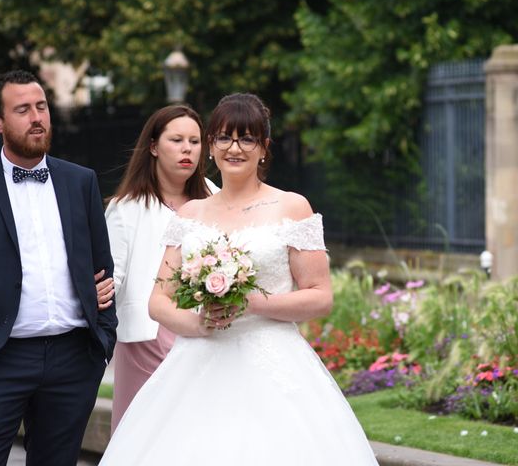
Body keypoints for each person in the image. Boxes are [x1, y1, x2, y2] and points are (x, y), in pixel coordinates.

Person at [100, 93, 378, 465]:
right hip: (197, 359)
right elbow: (158, 301)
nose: (235, 148)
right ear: (212, 146)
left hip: (272, 360)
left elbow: (320, 296)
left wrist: (250, 302)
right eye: (224, 138)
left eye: (247, 138)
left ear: (263, 147)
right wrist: (198, 323)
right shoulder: (190, 213)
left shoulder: (292, 207)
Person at [0, 70, 117, 466]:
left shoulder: (80, 181)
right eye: (22, 110)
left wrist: (102, 341)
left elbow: (102, 266)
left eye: (41, 106)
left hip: (73, 359)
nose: (37, 117)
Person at [102, 104, 218, 432]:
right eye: (177, 140)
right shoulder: (127, 208)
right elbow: (114, 277)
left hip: (207, 328)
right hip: (146, 338)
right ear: (153, 146)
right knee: (145, 434)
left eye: (195, 142)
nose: (187, 149)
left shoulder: (216, 198)